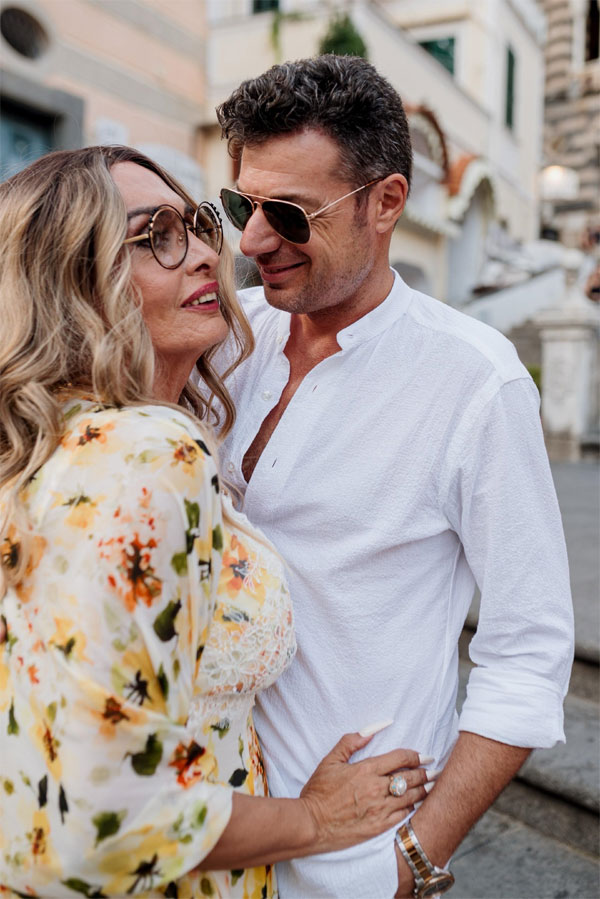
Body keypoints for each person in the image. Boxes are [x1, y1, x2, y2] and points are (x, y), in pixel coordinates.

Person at [0, 145, 434, 899]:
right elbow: (100, 820)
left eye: (199, 223)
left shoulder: (57, 444)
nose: (207, 253)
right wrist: (314, 820)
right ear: (68, 280)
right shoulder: (144, 452)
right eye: (155, 236)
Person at [215, 55, 575, 899]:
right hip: (207, 841)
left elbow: (528, 649)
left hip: (348, 870)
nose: (253, 241)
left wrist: (411, 861)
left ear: (385, 202)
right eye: (241, 206)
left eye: (288, 214)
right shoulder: (228, 338)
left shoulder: (475, 381)